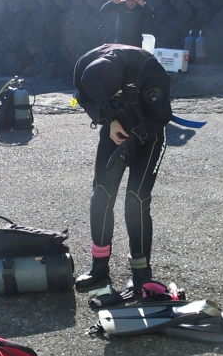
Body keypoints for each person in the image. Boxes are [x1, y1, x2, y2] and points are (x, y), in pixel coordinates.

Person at [72, 43, 172, 308]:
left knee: (135, 200)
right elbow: (85, 98)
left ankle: (141, 273)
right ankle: (99, 267)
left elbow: (161, 117)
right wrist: (108, 119)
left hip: (149, 134)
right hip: (114, 127)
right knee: (101, 194)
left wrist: (129, 146)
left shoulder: (149, 70)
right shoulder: (85, 65)